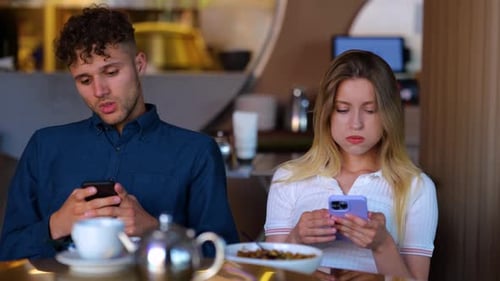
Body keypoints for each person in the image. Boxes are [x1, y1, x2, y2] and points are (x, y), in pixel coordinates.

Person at [0, 5, 239, 260]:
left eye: (111, 72)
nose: (100, 90)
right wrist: (56, 225)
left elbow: (223, 260)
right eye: (84, 80)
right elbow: (7, 254)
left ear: (139, 64)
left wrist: (156, 231)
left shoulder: (196, 152)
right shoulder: (44, 147)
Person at [264, 50, 438, 280]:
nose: (356, 124)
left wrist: (382, 244)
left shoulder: (416, 187)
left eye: (369, 110)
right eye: (343, 109)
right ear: (327, 113)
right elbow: (268, 275)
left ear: (389, 115)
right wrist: (296, 238)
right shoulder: (289, 178)